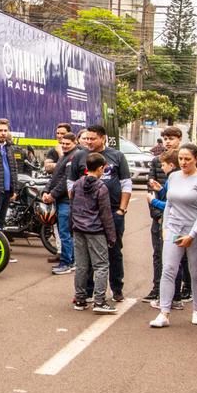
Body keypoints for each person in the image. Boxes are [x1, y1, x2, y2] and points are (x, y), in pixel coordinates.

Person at [150, 144, 197, 328]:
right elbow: (169, 203)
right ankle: (164, 312)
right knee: (168, 269)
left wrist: (192, 235)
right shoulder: (174, 176)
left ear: (196, 159)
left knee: (195, 272)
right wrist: (166, 227)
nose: (183, 162)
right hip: (174, 229)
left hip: (196, 232)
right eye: (181, 159)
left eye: (187, 159)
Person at [68, 125, 131, 301]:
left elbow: (126, 183)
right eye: (86, 138)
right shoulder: (79, 156)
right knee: (85, 256)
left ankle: (117, 289)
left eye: (92, 138)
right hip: (87, 215)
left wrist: (121, 210)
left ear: (103, 138)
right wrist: (77, 208)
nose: (88, 141)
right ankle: (87, 291)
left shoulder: (117, 156)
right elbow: (70, 184)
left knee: (114, 251)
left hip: (112, 212)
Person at [69, 153, 118, 313]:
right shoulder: (101, 187)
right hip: (95, 230)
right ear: (100, 168)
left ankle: (80, 299)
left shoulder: (77, 184)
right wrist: (111, 236)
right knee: (101, 265)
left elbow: (72, 206)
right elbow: (105, 214)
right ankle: (99, 301)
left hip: (78, 229)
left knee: (81, 266)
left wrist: (73, 226)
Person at [144, 126, 188, 303]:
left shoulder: (185, 159)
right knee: (158, 254)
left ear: (179, 138)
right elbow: (152, 188)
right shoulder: (157, 161)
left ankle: (185, 289)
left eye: (172, 138)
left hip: (180, 218)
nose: (168, 142)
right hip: (160, 216)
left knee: (182, 256)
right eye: (166, 138)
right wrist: (158, 214)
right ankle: (157, 287)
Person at [43, 132, 79, 275]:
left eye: (67, 143)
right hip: (61, 200)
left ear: (74, 142)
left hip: (66, 201)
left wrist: (52, 195)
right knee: (66, 233)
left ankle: (66, 263)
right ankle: (72, 261)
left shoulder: (73, 157)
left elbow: (66, 180)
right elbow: (54, 178)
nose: (64, 146)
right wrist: (46, 191)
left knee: (65, 233)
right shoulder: (65, 156)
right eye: (62, 143)